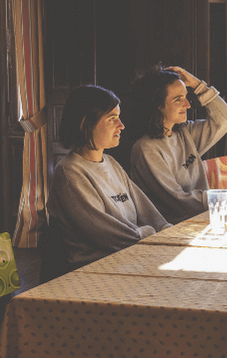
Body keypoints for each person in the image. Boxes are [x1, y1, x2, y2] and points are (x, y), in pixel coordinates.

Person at [47, 84, 170, 269]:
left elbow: (147, 210)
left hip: (131, 257)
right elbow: (107, 235)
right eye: (112, 119)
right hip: (96, 269)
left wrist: (167, 232)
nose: (121, 125)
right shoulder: (69, 172)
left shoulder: (110, 162)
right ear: (85, 123)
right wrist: (150, 234)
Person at [129, 65, 227, 223]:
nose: (188, 105)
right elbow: (178, 201)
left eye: (186, 97)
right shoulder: (145, 149)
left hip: (204, 218)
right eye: (178, 99)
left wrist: (199, 86)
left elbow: (226, 119)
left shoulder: (185, 132)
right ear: (158, 105)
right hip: (173, 231)